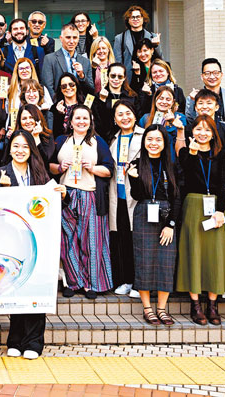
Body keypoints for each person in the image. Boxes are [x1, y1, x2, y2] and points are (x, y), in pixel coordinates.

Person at [0, 130, 56, 359]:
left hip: (37, 240)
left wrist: (60, 194)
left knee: (35, 288)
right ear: (9, 149)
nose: (20, 150)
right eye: (16, 146)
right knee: (16, 288)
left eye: (25, 147)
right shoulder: (0, 174)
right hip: (11, 242)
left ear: (31, 150)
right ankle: (15, 340)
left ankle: (34, 342)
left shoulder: (40, 173)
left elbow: (50, 203)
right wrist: (3, 190)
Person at [174, 114, 225, 326]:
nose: (202, 133)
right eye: (198, 129)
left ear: (213, 134)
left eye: (207, 129)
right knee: (193, 253)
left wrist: (221, 210)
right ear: (192, 131)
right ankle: (195, 304)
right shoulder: (186, 152)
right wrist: (192, 153)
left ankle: (212, 305)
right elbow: (183, 179)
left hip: (215, 209)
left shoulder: (221, 155)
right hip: (193, 207)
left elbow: (223, 184)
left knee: (215, 255)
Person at [56, 105, 115, 299]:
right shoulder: (61, 140)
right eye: (78, 118)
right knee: (67, 239)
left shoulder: (98, 141)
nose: (81, 121)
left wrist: (93, 168)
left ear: (90, 122)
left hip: (90, 194)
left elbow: (109, 170)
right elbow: (49, 166)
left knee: (91, 241)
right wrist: (59, 167)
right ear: (71, 121)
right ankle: (73, 282)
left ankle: (91, 284)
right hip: (66, 194)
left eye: (85, 118)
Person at [126, 125, 182, 326]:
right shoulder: (136, 164)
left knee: (166, 261)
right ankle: (147, 308)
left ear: (165, 142)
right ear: (144, 142)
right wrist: (134, 178)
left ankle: (162, 308)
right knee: (144, 260)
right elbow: (137, 195)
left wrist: (171, 225)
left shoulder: (172, 166)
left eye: (158, 139)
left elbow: (177, 197)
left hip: (166, 216)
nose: (153, 143)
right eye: (149, 139)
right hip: (143, 214)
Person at [107, 100, 142, 298]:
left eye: (128, 113)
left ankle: (139, 282)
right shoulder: (112, 139)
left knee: (137, 240)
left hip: (136, 195)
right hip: (117, 195)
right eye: (119, 114)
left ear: (135, 115)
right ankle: (126, 280)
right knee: (122, 240)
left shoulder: (144, 136)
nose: (124, 117)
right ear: (114, 119)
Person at [41, 23, 94, 101]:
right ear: (61, 38)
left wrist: (82, 76)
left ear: (78, 39)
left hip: (80, 105)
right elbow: (48, 87)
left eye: (75, 37)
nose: (71, 41)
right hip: (59, 105)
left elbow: (91, 90)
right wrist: (57, 105)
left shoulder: (85, 61)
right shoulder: (50, 59)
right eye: (68, 37)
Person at [186, 58, 225, 124]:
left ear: (221, 75)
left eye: (215, 73)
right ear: (202, 77)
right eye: (207, 73)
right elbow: (191, 122)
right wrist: (194, 100)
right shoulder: (192, 98)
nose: (212, 77)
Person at [138, 86, 187, 159]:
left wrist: (172, 122)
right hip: (150, 159)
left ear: (173, 102)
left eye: (168, 99)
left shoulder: (179, 117)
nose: (164, 102)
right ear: (155, 100)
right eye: (161, 98)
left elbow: (181, 147)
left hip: (171, 159)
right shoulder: (145, 118)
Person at [112, 5, 161, 76]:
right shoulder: (120, 38)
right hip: (129, 77)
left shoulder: (153, 37)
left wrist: (156, 46)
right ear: (128, 20)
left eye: (138, 17)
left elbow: (160, 59)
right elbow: (117, 62)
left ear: (143, 19)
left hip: (149, 76)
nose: (135, 19)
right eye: (132, 17)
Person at [93, 63, 136, 139]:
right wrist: (102, 101)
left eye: (120, 77)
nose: (116, 79)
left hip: (128, 136)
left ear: (124, 78)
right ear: (107, 76)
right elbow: (98, 121)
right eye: (113, 76)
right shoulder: (97, 97)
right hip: (105, 137)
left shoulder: (131, 96)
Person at [16, 104, 58, 176]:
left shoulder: (47, 136)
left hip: (41, 176)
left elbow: (44, 162)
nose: (28, 121)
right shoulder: (16, 137)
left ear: (38, 119)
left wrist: (36, 138)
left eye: (31, 117)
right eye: (24, 119)